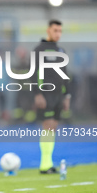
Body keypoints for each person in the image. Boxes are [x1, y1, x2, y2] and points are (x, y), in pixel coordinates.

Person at [32, 20, 71, 174]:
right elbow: (33, 73)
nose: (58, 33)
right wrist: (37, 94)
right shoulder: (39, 50)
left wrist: (67, 96)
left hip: (59, 95)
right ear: (48, 30)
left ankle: (48, 163)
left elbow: (65, 75)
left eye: (60, 31)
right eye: (55, 30)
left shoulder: (61, 50)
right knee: (47, 126)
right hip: (45, 93)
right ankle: (44, 165)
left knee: (53, 127)